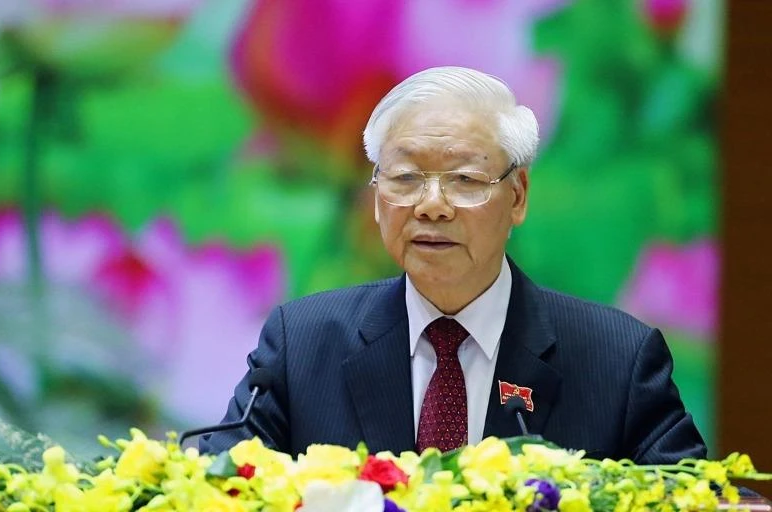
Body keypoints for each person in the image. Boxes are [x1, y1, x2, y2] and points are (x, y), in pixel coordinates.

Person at [200, 66, 706, 464]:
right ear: (375, 197)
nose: (432, 206)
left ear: (518, 196)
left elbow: (691, 498)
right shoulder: (301, 346)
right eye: (405, 178)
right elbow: (221, 487)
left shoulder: (617, 360)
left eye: (464, 180)